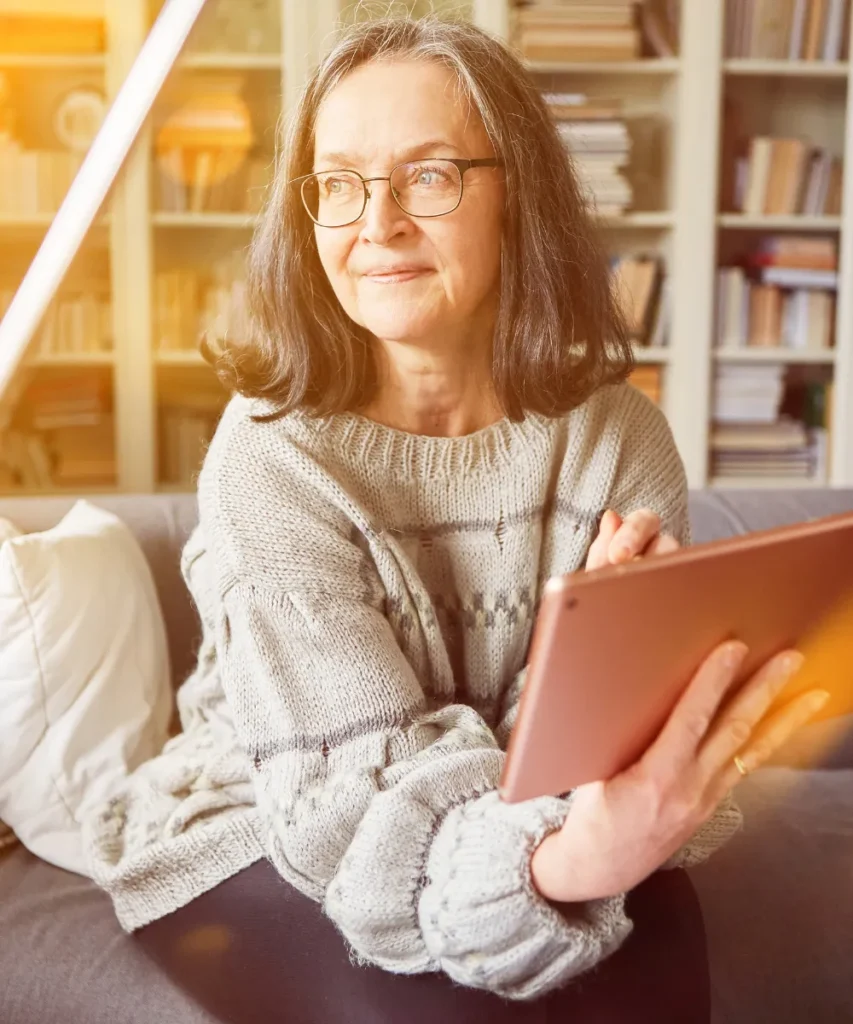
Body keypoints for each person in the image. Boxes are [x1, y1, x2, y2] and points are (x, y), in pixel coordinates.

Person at [85, 14, 829, 1022]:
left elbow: (607, 760)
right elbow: (354, 813)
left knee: (662, 957)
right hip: (272, 816)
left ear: (513, 193)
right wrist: (566, 841)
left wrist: (579, 802)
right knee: (445, 1006)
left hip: (499, 811)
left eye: (428, 175)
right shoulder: (268, 455)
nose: (376, 223)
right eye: (338, 182)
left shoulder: (616, 438)